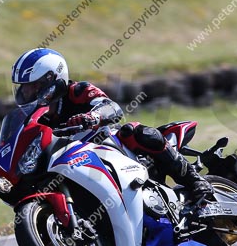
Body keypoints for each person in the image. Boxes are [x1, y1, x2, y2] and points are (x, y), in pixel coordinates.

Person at [11, 48, 212, 202]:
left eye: (33, 86)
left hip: (107, 146)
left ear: (52, 79)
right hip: (71, 163)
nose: (27, 93)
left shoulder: (77, 91)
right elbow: (22, 136)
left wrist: (93, 117)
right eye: (25, 88)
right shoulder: (37, 117)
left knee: (134, 131)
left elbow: (111, 107)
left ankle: (195, 181)